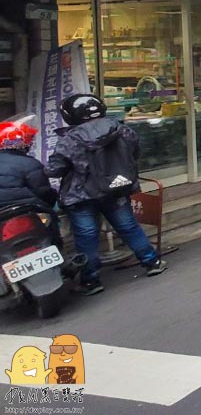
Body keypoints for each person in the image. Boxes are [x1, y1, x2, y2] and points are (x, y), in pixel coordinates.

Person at [45, 94, 165, 296]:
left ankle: (91, 280)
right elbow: (134, 153)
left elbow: (54, 169)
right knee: (128, 227)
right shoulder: (122, 129)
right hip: (116, 188)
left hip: (82, 194)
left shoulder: (70, 139)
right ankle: (152, 262)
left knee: (87, 237)